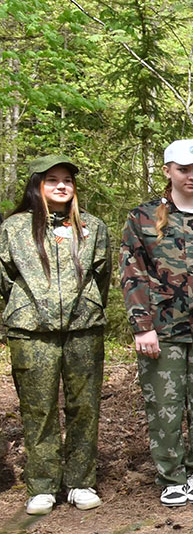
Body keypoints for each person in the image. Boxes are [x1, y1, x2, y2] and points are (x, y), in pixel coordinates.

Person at [121, 138, 193, 506]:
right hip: (162, 329)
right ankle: (171, 475)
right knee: (164, 407)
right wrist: (142, 326)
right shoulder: (143, 218)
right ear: (168, 171)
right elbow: (132, 272)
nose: (192, 176)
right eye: (184, 170)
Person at [0, 156, 111, 514]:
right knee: (38, 407)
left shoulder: (92, 227)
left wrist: (86, 306)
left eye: (67, 180)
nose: (61, 186)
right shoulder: (14, 228)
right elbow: (5, 276)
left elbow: (102, 275)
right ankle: (43, 485)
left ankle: (80, 482)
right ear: (37, 185)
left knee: (85, 406)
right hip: (30, 330)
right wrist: (28, 305)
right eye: (52, 180)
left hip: (84, 327)